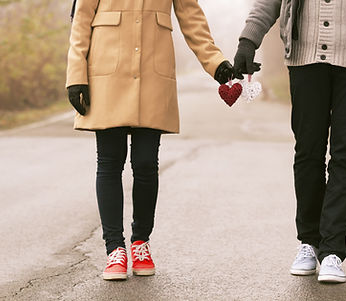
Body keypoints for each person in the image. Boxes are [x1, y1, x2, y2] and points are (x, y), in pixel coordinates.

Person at [234, 0, 346, 283]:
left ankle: (332, 251)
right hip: (305, 61)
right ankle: (309, 241)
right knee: (308, 153)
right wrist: (248, 39)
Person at [66, 0, 236, 281]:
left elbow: (191, 16)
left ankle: (140, 243)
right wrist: (75, 75)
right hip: (106, 73)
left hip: (152, 75)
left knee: (145, 164)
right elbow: (81, 20)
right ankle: (114, 250)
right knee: (109, 162)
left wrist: (215, 63)